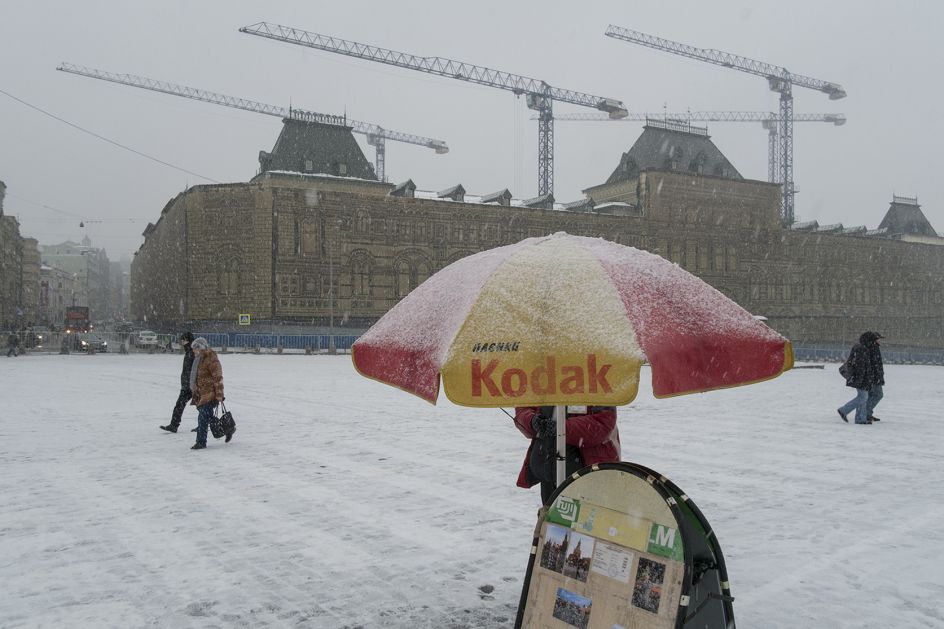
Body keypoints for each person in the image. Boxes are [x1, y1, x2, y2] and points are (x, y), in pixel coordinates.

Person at [513, 405, 621, 504]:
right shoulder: (541, 383)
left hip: (588, 477)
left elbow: (603, 423)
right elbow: (523, 408)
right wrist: (532, 421)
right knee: (552, 521)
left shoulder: (597, 385)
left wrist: (560, 428)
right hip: (548, 473)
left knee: (586, 522)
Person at [837, 331, 885, 425]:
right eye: (877, 339)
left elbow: (868, 365)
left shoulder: (866, 348)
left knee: (863, 398)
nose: (879, 341)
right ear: (871, 340)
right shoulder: (862, 349)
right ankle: (844, 411)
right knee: (863, 397)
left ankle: (860, 418)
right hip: (862, 378)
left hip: (865, 378)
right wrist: (861, 380)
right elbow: (861, 366)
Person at [188, 337, 225, 450]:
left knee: (202, 418)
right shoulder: (199, 359)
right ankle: (227, 429)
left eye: (195, 348)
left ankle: (201, 442)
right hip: (201, 394)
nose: (193, 351)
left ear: (200, 348)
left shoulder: (211, 359)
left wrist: (219, 395)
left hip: (210, 394)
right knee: (208, 418)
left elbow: (218, 378)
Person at [160, 331, 195, 433]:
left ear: (187, 341)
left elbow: (193, 370)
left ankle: (206, 425)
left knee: (201, 407)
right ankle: (174, 425)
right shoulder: (189, 352)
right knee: (180, 405)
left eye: (183, 340)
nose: (181, 342)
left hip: (192, 385)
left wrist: (191, 384)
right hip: (187, 385)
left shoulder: (192, 353)